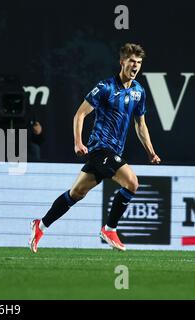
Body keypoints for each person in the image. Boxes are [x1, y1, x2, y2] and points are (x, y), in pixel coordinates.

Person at [29, 43, 161, 253]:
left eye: (138, 63)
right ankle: (109, 229)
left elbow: (140, 124)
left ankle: (40, 225)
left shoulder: (139, 92)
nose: (135, 66)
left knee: (76, 193)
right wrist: (78, 142)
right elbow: (80, 114)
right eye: (131, 62)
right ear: (122, 62)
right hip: (100, 148)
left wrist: (151, 152)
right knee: (132, 183)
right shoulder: (105, 87)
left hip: (114, 151)